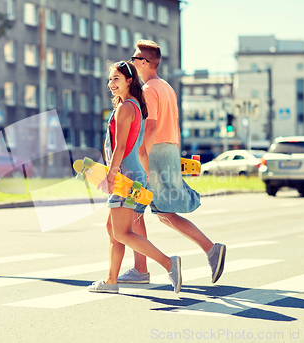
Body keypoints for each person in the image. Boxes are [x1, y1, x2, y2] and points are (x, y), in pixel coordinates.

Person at [117, 40, 226, 285]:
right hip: (168, 149)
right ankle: (208, 250)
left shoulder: (148, 90)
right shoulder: (166, 87)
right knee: (159, 211)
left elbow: (152, 124)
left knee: (141, 209)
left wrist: (142, 156)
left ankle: (142, 269)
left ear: (144, 62)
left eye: (135, 58)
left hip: (154, 152)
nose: (132, 61)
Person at [87, 61, 182, 294]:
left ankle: (169, 263)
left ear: (130, 80)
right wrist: (144, 173)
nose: (111, 84)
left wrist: (111, 175)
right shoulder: (136, 105)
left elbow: (119, 148)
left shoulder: (125, 108)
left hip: (125, 177)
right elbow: (138, 148)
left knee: (121, 232)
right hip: (134, 173)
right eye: (110, 79)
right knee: (113, 228)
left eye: (116, 79)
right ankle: (111, 280)